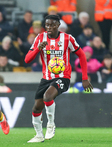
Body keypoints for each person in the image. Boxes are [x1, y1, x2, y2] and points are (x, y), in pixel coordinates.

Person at [24, 15, 93, 143]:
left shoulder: (67, 38)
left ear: (58, 25)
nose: (49, 27)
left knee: (47, 96)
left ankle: (51, 124)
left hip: (63, 76)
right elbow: (27, 59)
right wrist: (38, 48)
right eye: (47, 25)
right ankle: (39, 135)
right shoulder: (40, 38)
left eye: (52, 24)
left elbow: (82, 55)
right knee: (36, 108)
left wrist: (84, 78)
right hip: (46, 78)